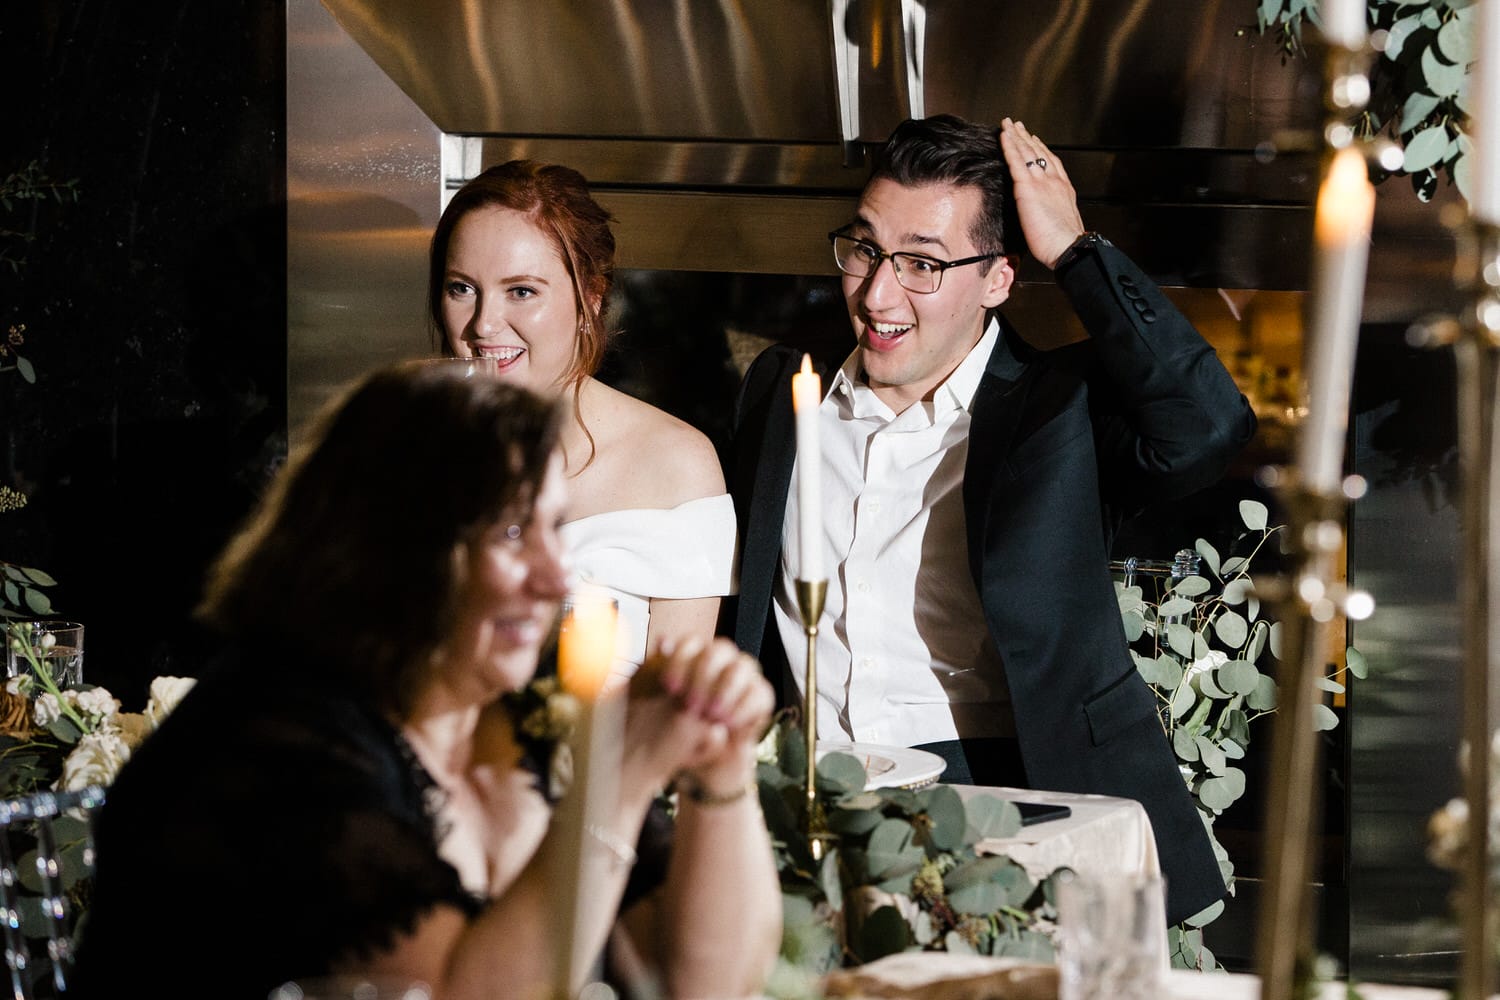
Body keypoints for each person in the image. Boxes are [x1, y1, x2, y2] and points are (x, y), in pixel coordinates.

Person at [72, 362, 781, 1000]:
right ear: (385, 550)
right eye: (509, 532)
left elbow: (704, 982)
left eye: (555, 527)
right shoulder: (271, 738)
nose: (557, 574)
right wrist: (616, 780)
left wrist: (719, 769)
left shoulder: (534, 707)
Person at [725, 114, 1257, 925]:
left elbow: (1208, 425)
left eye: (923, 264)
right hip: (810, 801)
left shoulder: (1059, 413)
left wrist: (1077, 254)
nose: (877, 294)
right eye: (865, 249)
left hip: (1009, 798)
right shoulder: (782, 391)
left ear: (999, 279)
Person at [430, 160, 735, 682]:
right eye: (462, 288)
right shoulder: (410, 447)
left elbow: (672, 715)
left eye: (521, 291)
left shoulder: (674, 466)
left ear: (591, 299)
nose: (483, 323)